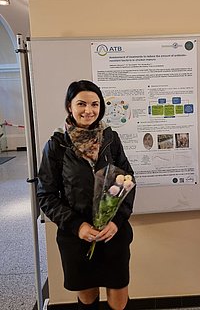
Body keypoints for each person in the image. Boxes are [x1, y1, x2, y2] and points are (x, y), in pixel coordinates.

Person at [37, 80, 136, 310]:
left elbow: (128, 180)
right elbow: (46, 195)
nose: (88, 110)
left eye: (95, 104)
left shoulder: (111, 139)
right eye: (81, 104)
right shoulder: (57, 145)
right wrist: (77, 226)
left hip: (113, 233)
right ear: (69, 106)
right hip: (77, 237)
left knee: (119, 299)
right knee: (87, 298)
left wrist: (118, 220)